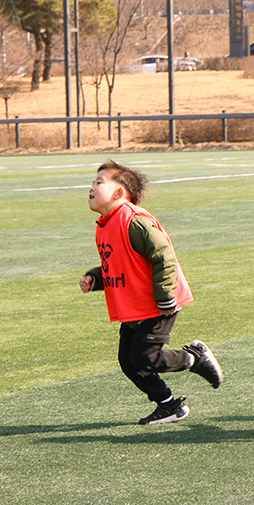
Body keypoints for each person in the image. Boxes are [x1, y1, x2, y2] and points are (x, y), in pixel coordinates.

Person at [78, 160, 222, 424]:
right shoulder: (106, 226)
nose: (91, 187)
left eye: (99, 182)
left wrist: (165, 294)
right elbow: (121, 265)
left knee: (145, 356)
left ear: (119, 193)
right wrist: (95, 278)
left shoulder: (134, 221)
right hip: (135, 306)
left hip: (158, 304)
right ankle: (168, 405)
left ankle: (195, 358)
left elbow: (164, 256)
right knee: (129, 361)